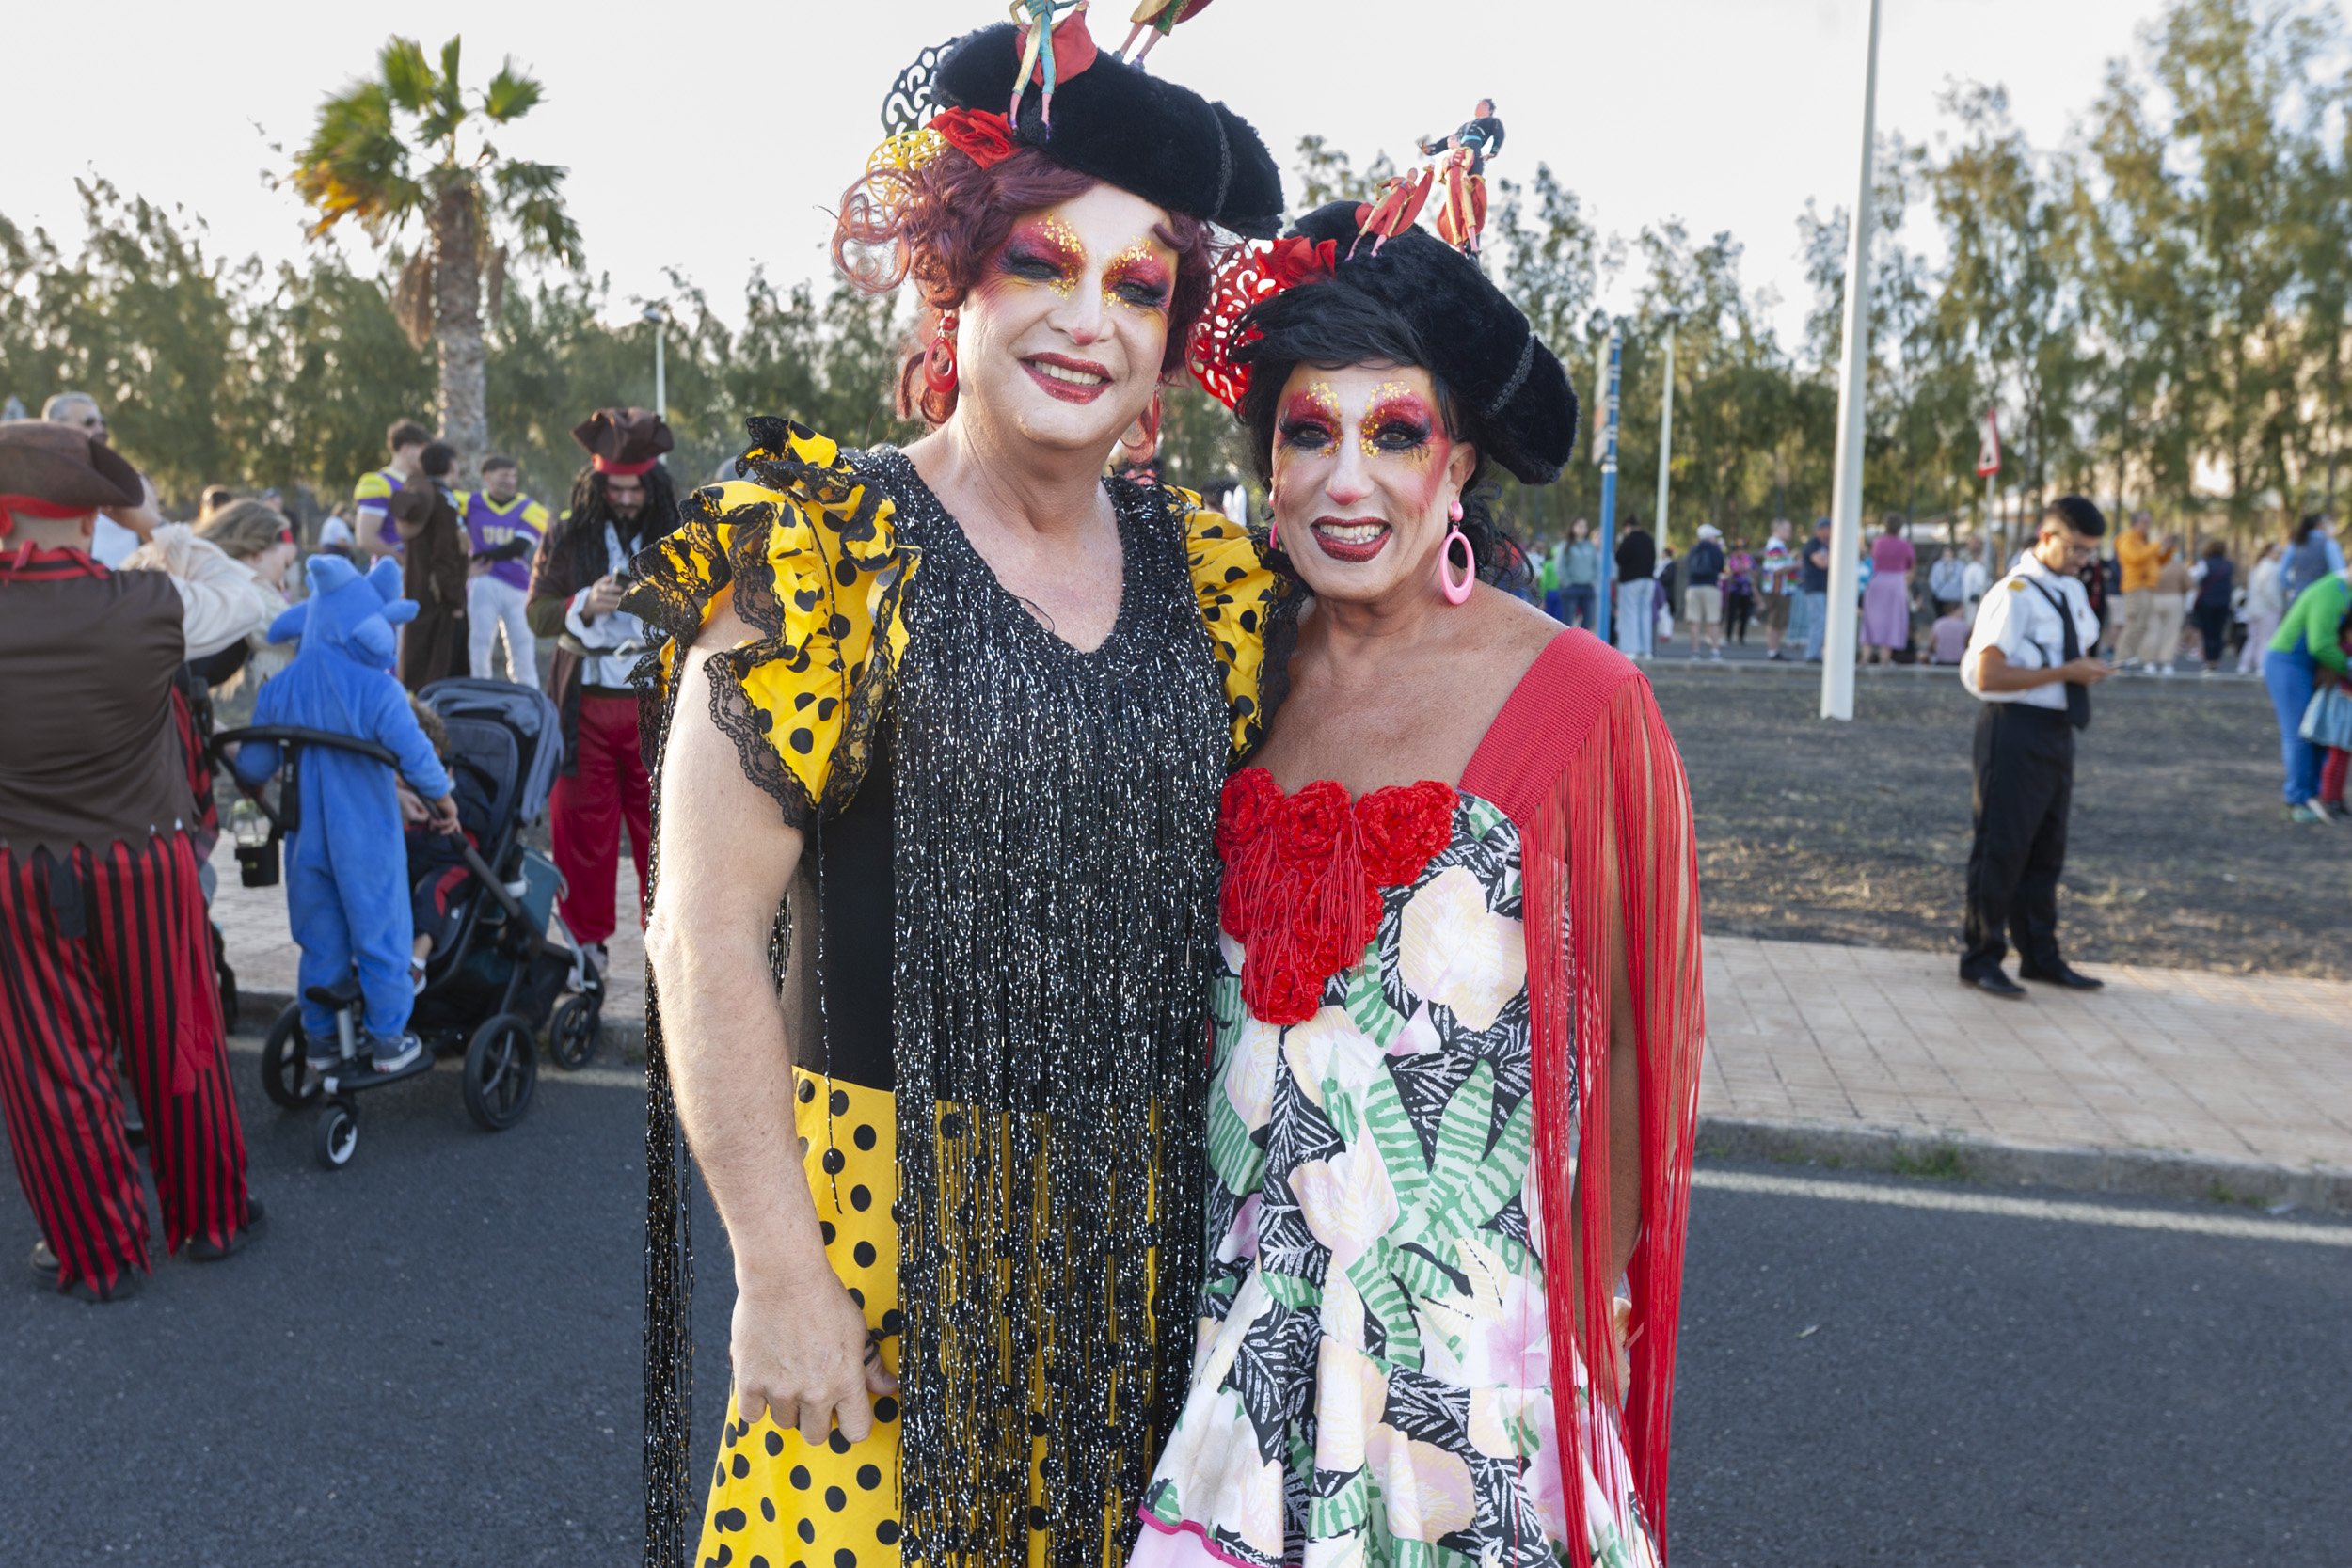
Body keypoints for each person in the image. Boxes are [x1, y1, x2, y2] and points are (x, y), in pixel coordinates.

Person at [628, 24, 1287, 1566]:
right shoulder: (819, 546)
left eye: (1139, 286)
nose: (1088, 320)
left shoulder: (1212, 574)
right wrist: (778, 1270)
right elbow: (699, 932)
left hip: (1140, 1256)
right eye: (1042, 263)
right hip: (871, 1251)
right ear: (956, 277)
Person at [1136, 200, 1702, 1568]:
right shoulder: (1230, 677)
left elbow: (1638, 1043)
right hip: (1246, 1380)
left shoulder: (1582, 702)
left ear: (1457, 466)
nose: (1348, 481)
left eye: (1393, 435)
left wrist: (1576, 1314)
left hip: (1473, 1398)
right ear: (1266, 466)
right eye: (1307, 433)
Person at [0, 422, 274, 1302]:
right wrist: (159, 526)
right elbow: (251, 597)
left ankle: (97, 1249)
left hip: (18, 869)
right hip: (145, 860)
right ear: (92, 520)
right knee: (176, 1037)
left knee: (52, 1064)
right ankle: (210, 1217)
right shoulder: (150, 602)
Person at [231, 557, 460, 1073]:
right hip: (366, 839)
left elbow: (254, 765)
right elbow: (416, 755)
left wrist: (251, 773)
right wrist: (443, 798)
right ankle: (388, 1037)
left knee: (319, 939)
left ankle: (320, 1039)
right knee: (382, 932)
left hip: (305, 839)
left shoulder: (280, 687)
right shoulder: (377, 689)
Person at [525, 410, 677, 977]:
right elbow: (537, 614)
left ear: (652, 483)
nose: (627, 498)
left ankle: (668, 950)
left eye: (636, 488)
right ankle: (585, 951)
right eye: (616, 488)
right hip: (582, 707)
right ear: (597, 484)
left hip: (655, 705)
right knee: (579, 832)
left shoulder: (677, 531)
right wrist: (582, 603)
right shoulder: (566, 534)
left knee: (663, 831)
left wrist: (664, 601)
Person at [1958, 496, 2113, 997]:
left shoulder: (2071, 591)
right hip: (2014, 727)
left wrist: (2083, 672)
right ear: (2046, 536)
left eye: (2090, 552)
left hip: (2056, 728)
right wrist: (2064, 672)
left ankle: (2040, 955)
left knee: (2047, 849)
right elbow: (1988, 674)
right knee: (2002, 846)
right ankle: (1981, 956)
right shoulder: (2014, 593)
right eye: (2075, 549)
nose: (2082, 561)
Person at [2262, 561, 2352, 822]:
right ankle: (2297, 799)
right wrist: (2348, 667)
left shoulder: (2343, 591)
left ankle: (2316, 794)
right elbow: (2321, 645)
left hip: (2309, 666)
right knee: (2299, 732)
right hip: (2288, 662)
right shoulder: (2331, 591)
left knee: (2319, 732)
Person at [40, 391, 157, 566]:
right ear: (55, 428)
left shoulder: (131, 483)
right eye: (89, 422)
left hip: (126, 581)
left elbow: (161, 544)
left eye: (102, 423)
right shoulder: (33, 485)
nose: (99, 429)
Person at [389, 442, 470, 690]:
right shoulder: (443, 501)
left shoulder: (424, 497)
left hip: (418, 590)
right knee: (440, 672)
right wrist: (455, 599)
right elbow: (444, 554)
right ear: (451, 465)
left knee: (418, 662)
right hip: (440, 599)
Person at [461, 454, 548, 688]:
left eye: (513, 476)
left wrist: (480, 556)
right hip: (483, 581)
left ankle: (528, 692)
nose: (509, 481)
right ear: (486, 477)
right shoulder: (470, 503)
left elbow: (518, 546)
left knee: (522, 643)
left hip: (517, 584)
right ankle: (479, 691)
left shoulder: (528, 507)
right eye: (503, 475)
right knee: (479, 642)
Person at [353, 418, 432, 559]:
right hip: (391, 571)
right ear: (406, 449)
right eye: (423, 451)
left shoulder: (421, 486)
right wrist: (404, 561)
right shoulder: (379, 484)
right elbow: (365, 538)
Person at [2113, 510, 2170, 669]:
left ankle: (2128, 660)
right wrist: (2157, 545)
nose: (2148, 526)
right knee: (2134, 624)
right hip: (2135, 587)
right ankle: (2120, 662)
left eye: (2149, 522)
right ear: (2135, 523)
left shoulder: (2144, 542)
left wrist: (2168, 548)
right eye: (2145, 522)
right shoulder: (2127, 538)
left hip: (2147, 587)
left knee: (2142, 626)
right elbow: (2135, 557)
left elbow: (2158, 561)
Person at [1861, 513, 1914, 664]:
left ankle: (1865, 656)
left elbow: (1874, 558)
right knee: (1892, 620)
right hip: (1896, 582)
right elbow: (1910, 565)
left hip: (1877, 581)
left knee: (1870, 619)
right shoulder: (1905, 545)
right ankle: (1885, 658)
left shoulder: (1877, 543)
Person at [2240, 540, 2286, 673]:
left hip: (2253, 608)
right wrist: (2278, 605)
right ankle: (2262, 665)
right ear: (2269, 552)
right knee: (2266, 638)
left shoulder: (2257, 566)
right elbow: (2269, 591)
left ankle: (2245, 664)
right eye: (2278, 552)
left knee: (2253, 638)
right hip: (2267, 609)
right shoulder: (2271, 568)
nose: (2280, 555)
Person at [2189, 538, 2234, 673]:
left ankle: (2209, 661)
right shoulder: (2229, 565)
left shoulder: (2204, 564)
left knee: (2208, 632)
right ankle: (2216, 660)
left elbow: (2193, 576)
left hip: (2207, 602)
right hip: (2223, 602)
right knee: (2218, 632)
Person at [1613, 514, 1657, 657]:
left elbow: (1619, 558)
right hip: (1648, 581)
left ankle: (1631, 649)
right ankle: (1647, 650)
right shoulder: (1649, 539)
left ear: (1627, 527)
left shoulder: (1629, 540)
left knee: (1630, 614)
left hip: (1630, 581)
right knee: (1645, 614)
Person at [2280, 513, 2344, 607]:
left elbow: (2282, 572)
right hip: (2321, 600)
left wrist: (2293, 585)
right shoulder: (2329, 544)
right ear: (2320, 524)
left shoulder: (2296, 544)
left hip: (2299, 598)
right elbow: (2340, 574)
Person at [1684, 520, 1726, 659]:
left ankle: (1695, 652)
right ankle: (1715, 651)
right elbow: (1721, 566)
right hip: (1711, 587)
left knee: (1694, 621)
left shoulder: (1693, 550)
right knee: (1713, 620)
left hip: (1693, 588)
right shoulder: (1716, 550)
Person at [1757, 515, 1795, 659]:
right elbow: (1777, 569)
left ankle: (1774, 650)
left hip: (1779, 588)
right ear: (1777, 529)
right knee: (1776, 621)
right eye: (1787, 529)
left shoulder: (1778, 546)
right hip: (1777, 589)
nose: (1790, 532)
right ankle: (1773, 651)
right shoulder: (1776, 546)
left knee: (1777, 622)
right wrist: (1795, 565)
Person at [1799, 516, 1834, 660]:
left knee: (1823, 621)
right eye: (1826, 529)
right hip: (1815, 588)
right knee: (1818, 621)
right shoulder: (1813, 544)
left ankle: (1818, 652)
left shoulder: (1827, 545)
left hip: (1825, 588)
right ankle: (1812, 653)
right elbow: (1822, 563)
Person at [1561, 514, 1601, 629]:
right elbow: (1560, 566)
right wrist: (1567, 582)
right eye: (1579, 525)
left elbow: (1596, 565)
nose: (1582, 528)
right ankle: (1568, 641)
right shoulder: (1566, 545)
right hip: (1571, 587)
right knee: (1567, 622)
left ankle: (1581, 641)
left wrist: (1593, 580)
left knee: (1588, 620)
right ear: (1573, 527)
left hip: (1587, 587)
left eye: (1585, 526)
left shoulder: (1589, 546)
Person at [1928, 600, 1971, 665]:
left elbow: (1933, 644)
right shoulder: (1964, 625)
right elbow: (1967, 644)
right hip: (1959, 662)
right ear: (1956, 609)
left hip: (1941, 661)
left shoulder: (1938, 623)